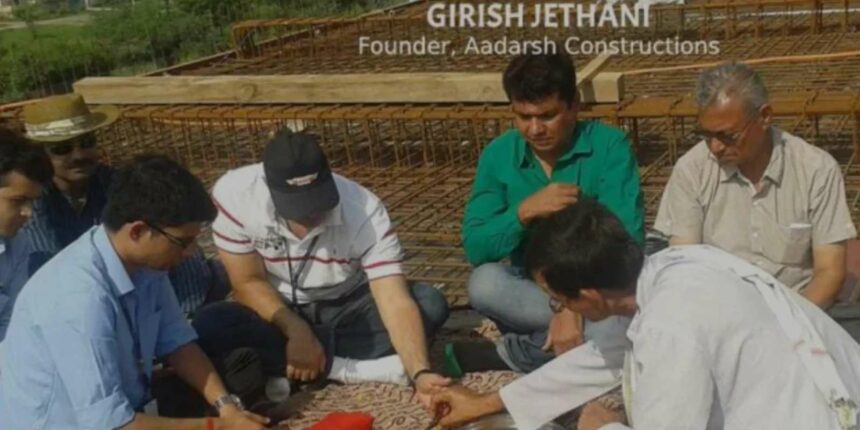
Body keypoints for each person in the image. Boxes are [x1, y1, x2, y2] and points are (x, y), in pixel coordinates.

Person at [434, 198, 860, 430]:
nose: (559, 310)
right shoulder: (680, 265)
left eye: (558, 301)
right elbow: (603, 355)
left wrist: (603, 428)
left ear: (589, 296)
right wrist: (484, 404)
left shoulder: (668, 327)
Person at [0, 154, 269, 429]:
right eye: (183, 242)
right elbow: (111, 424)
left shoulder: (146, 266)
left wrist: (227, 407)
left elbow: (178, 343)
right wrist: (217, 427)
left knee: (239, 366)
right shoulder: (80, 298)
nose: (191, 253)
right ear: (138, 232)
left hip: (129, 403)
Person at [192, 129, 450, 407]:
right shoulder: (235, 194)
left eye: (317, 202)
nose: (310, 215)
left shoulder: (364, 209)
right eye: (296, 207)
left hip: (346, 303)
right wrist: (296, 331)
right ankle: (345, 369)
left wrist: (420, 372)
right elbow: (247, 282)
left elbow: (393, 300)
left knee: (428, 303)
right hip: (277, 307)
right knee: (210, 323)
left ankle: (293, 364)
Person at [460, 53, 644, 372]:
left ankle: (521, 351)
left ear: (574, 105)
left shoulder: (609, 146)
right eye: (523, 117)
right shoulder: (498, 154)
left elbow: (625, 242)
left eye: (547, 116)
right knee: (484, 284)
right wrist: (523, 212)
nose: (534, 129)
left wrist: (570, 305)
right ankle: (576, 343)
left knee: (618, 318)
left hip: (596, 291)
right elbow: (476, 247)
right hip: (538, 290)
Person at [654, 63, 856, 309]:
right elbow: (686, 267)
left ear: (765, 117)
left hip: (799, 309)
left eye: (728, 136)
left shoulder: (816, 169)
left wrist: (791, 323)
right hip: (719, 310)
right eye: (706, 135)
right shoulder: (692, 171)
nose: (716, 147)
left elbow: (829, 272)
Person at [20, 93, 226, 314]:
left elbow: (175, 241)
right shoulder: (32, 200)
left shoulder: (120, 183)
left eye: (87, 143)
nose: (79, 155)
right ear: (40, 155)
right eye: (62, 149)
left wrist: (186, 315)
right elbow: (50, 268)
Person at [0, 128, 52, 345]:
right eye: (18, 201)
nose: (28, 213)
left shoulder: (18, 244)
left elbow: (12, 324)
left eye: (32, 202)